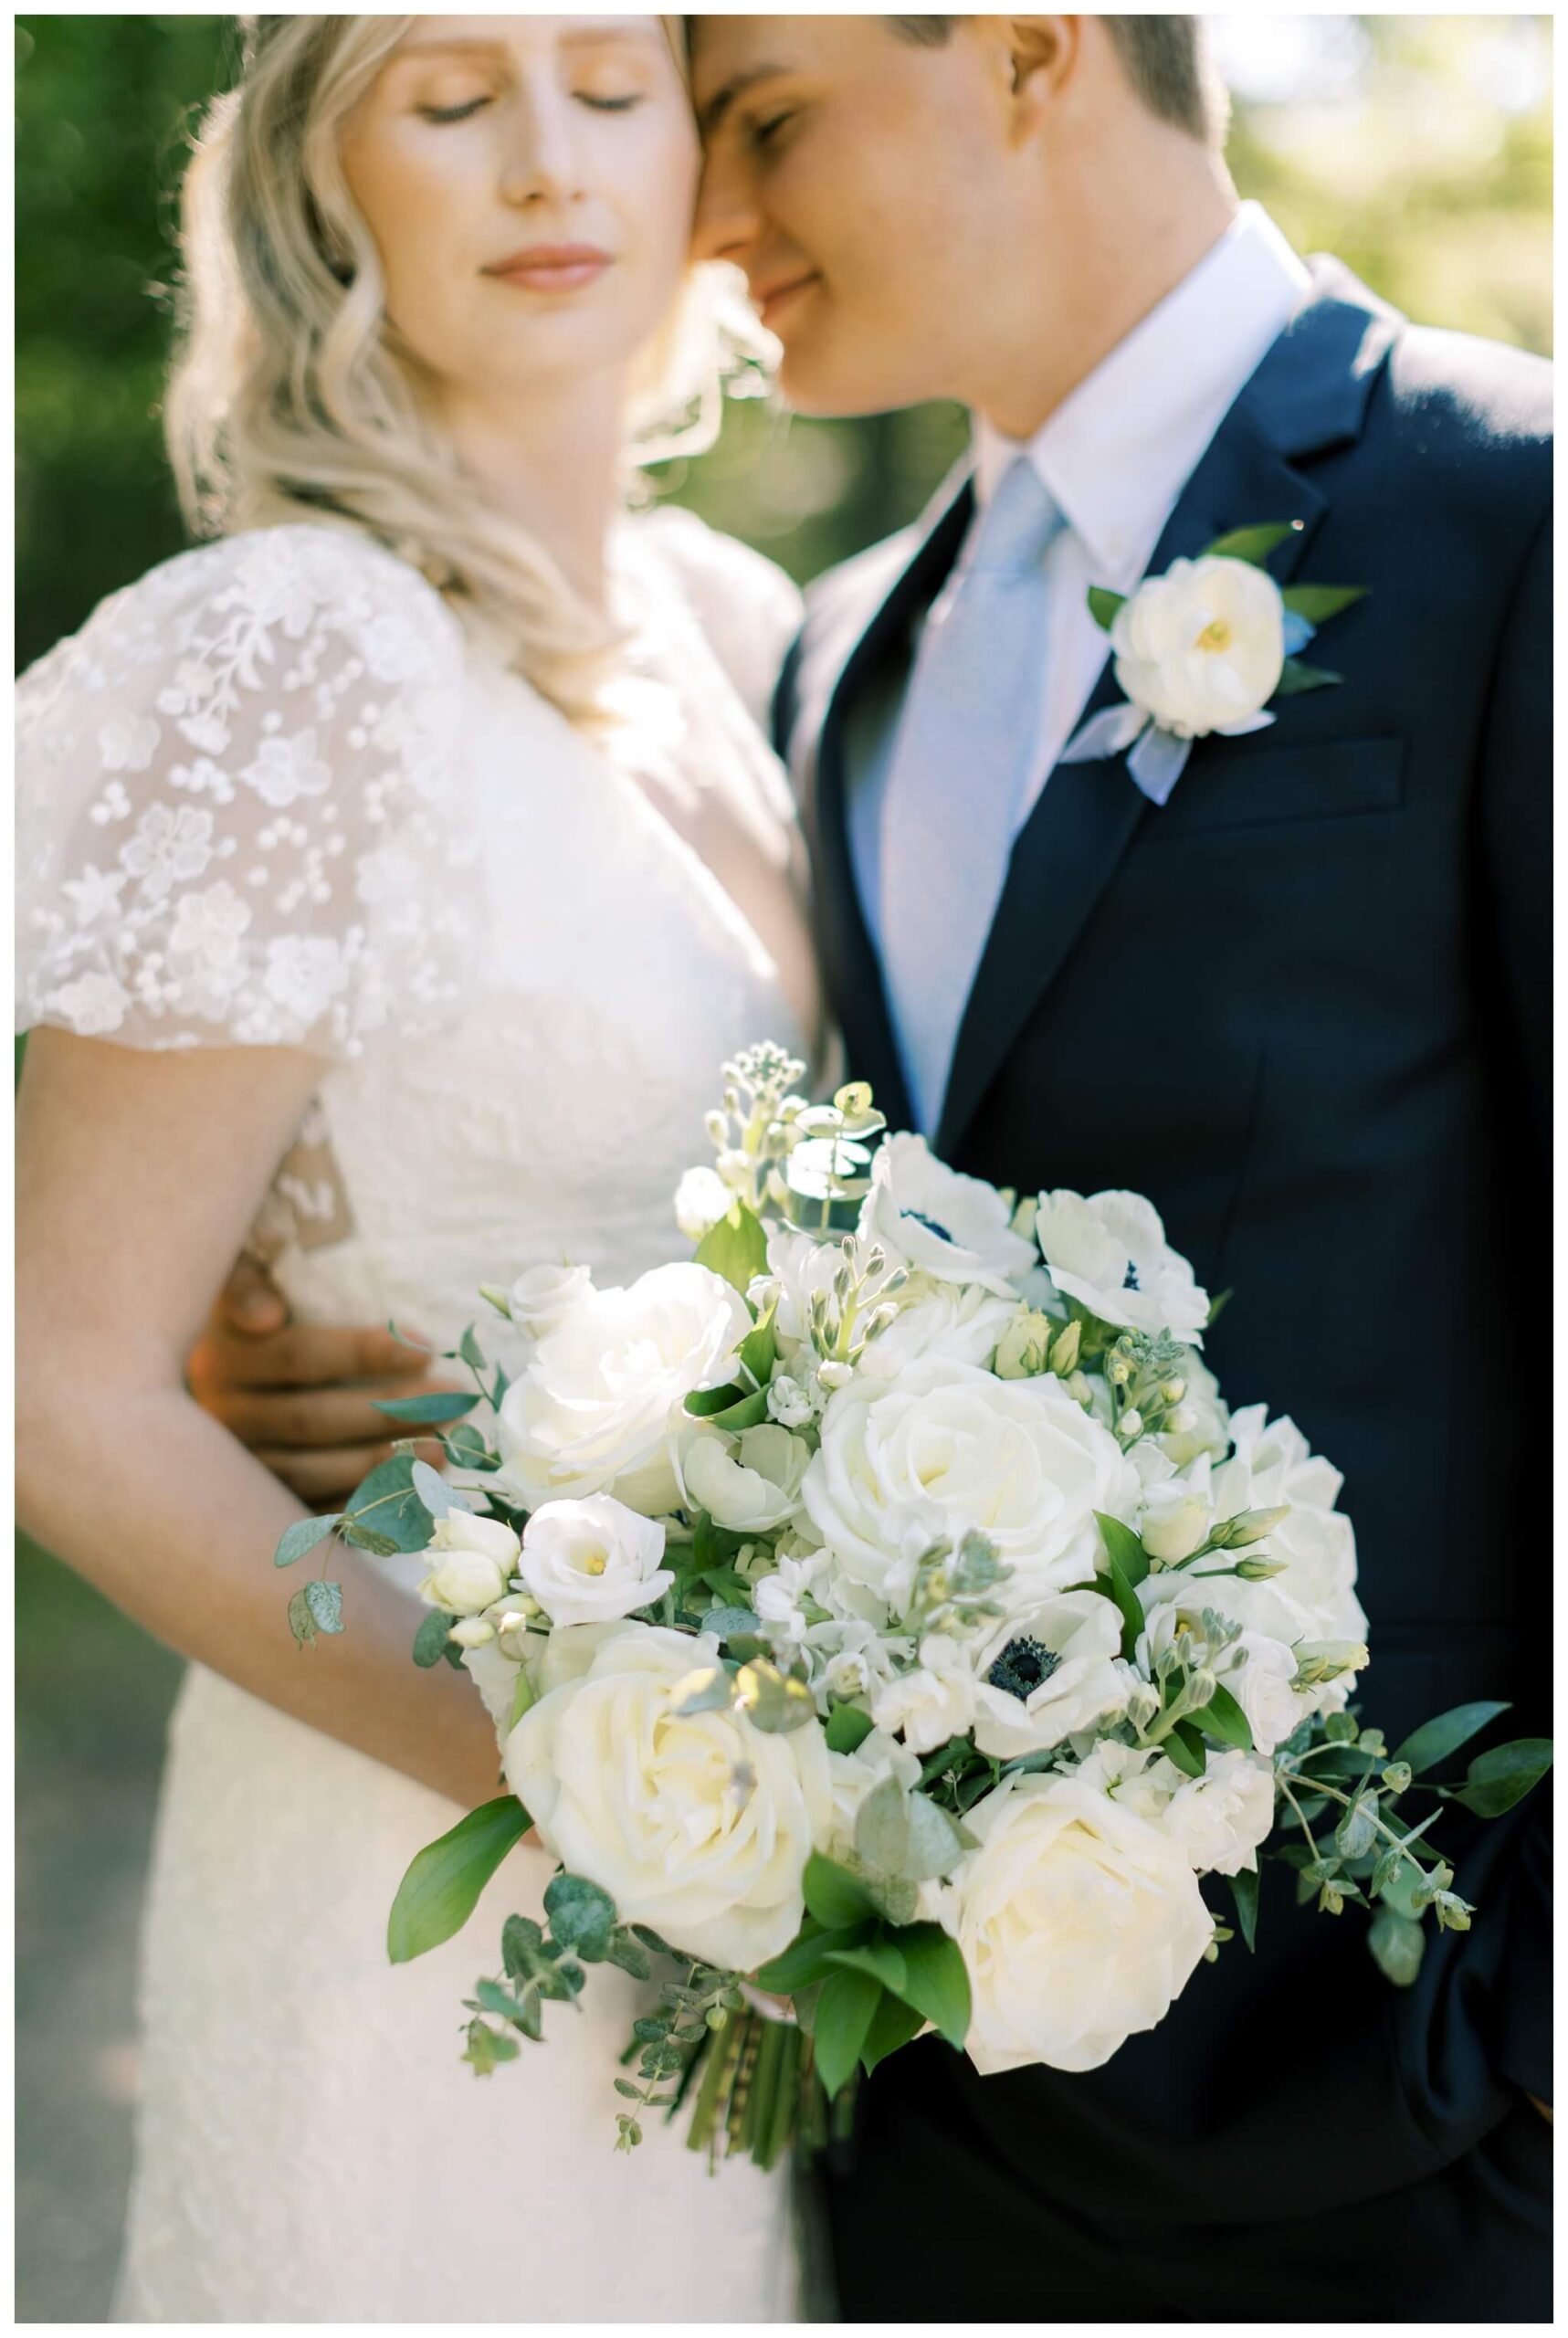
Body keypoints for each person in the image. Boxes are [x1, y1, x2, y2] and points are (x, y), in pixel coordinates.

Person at [201, 12, 1551, 2323]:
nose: (705, 221)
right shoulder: (835, 652)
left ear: (1023, 52)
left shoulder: (1506, 513)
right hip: (885, 2103)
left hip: (1409, 2107)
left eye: (764, 120)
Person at [16, 16, 819, 2321]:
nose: (546, 165)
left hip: (761, 1921)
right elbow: (64, 1386)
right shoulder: (294, 654)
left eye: (607, 84)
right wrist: (575, 1780)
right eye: (455, 104)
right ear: (322, 181)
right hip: (414, 1863)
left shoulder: (738, 639)